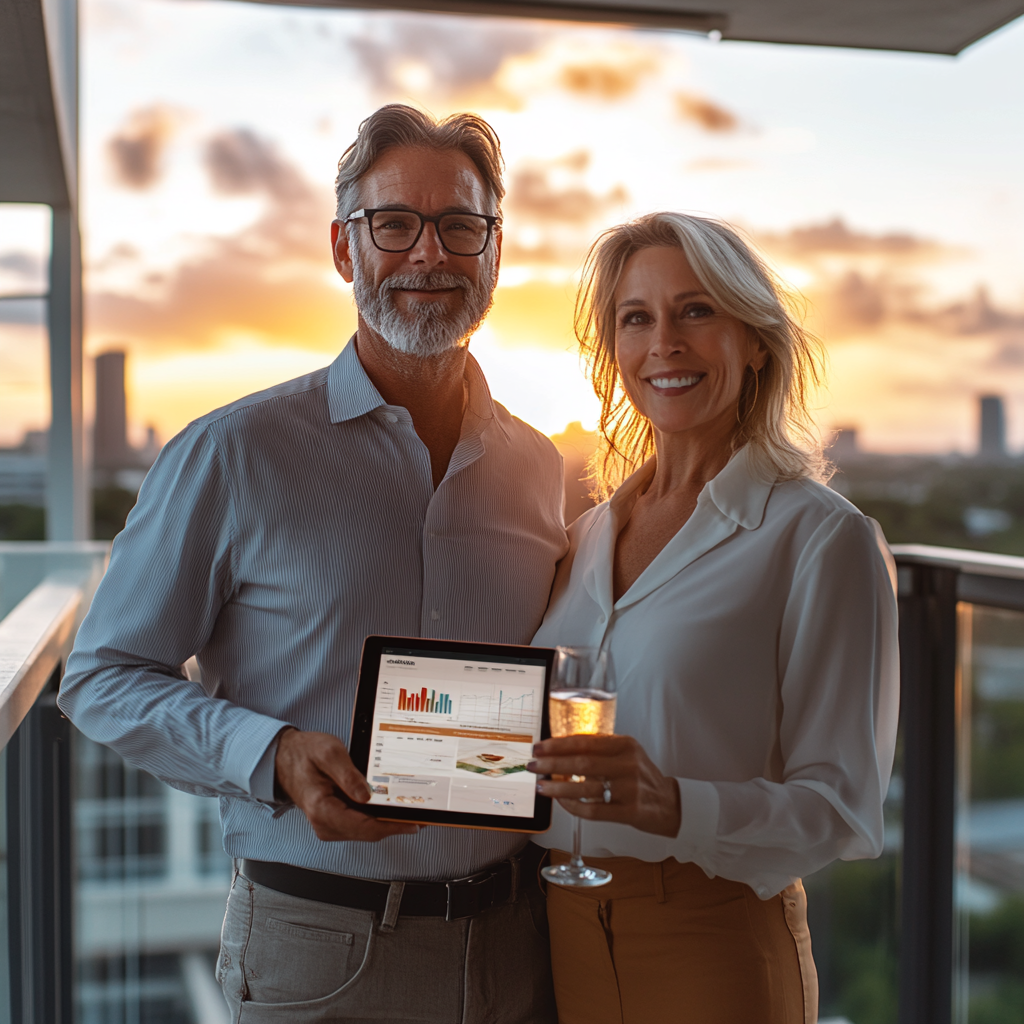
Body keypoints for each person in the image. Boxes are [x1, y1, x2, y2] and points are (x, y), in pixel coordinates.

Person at [58, 105, 567, 1024]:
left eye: (461, 225)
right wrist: (274, 754)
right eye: (394, 224)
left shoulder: (545, 469)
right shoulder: (236, 452)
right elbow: (101, 678)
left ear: (496, 252)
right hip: (321, 947)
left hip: (520, 945)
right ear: (344, 249)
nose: (428, 254)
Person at [527, 212, 899, 1024]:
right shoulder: (583, 535)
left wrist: (674, 803)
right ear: (614, 350)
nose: (665, 342)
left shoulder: (820, 537)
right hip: (559, 934)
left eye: (697, 310)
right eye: (637, 318)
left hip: (714, 938)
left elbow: (840, 809)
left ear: (755, 340)